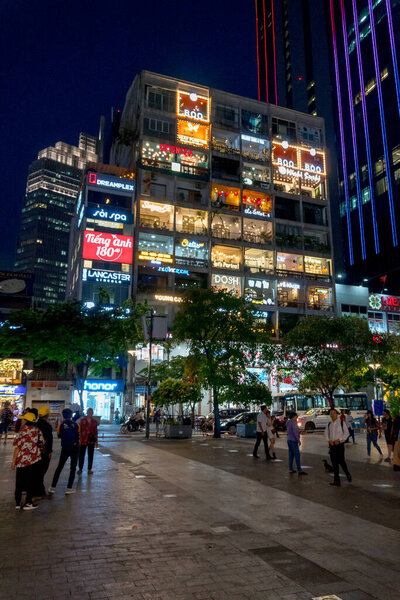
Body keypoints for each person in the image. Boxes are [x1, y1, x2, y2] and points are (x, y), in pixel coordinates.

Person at [11, 412, 44, 510]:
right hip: (33, 460)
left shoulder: (21, 432)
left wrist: (13, 461)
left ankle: (17, 503)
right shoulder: (37, 431)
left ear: (26, 421)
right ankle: (28, 503)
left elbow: (17, 447)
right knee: (30, 481)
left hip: (21, 461)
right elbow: (42, 443)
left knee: (19, 482)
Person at [48, 408, 79, 495]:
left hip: (65, 448)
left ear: (63, 415)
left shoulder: (61, 425)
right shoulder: (75, 425)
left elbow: (59, 435)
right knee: (73, 468)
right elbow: (78, 434)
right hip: (74, 448)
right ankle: (69, 488)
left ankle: (52, 487)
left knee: (59, 467)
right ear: (71, 415)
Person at [325, 408, 352, 486]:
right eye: (331, 413)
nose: (332, 414)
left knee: (341, 461)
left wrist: (339, 440)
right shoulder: (329, 424)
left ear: (336, 414)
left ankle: (347, 474)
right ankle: (336, 480)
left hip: (339, 445)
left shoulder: (341, 423)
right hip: (332, 446)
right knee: (334, 463)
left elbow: (346, 434)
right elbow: (326, 434)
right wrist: (329, 440)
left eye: (334, 413)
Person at [36, 406, 53, 496]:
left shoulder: (36, 424)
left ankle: (38, 490)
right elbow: (49, 440)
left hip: (35, 452)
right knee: (42, 471)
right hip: (44, 452)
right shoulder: (47, 426)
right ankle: (40, 491)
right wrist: (49, 451)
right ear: (47, 415)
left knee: (37, 471)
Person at [78, 408, 98, 475]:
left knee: (90, 455)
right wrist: (79, 439)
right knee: (81, 455)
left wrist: (96, 441)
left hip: (91, 441)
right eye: (88, 412)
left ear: (92, 413)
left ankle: (89, 469)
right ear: (87, 412)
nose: (89, 413)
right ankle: (80, 469)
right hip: (83, 440)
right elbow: (79, 431)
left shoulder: (94, 422)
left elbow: (96, 432)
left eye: (91, 412)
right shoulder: (82, 420)